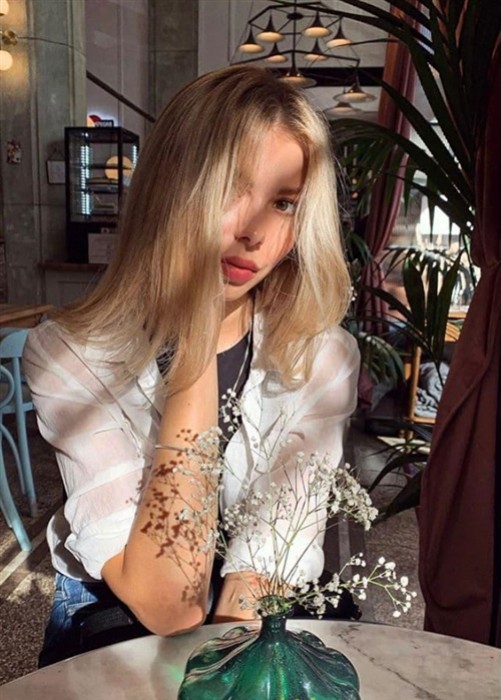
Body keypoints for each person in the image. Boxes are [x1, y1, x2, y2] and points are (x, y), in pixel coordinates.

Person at [23, 65, 360, 667]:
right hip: (114, 616)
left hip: (250, 622)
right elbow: (169, 603)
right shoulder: (69, 353)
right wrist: (198, 338)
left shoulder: (321, 358)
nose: (254, 232)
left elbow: (261, 575)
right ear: (172, 188)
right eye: (231, 188)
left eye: (284, 203)